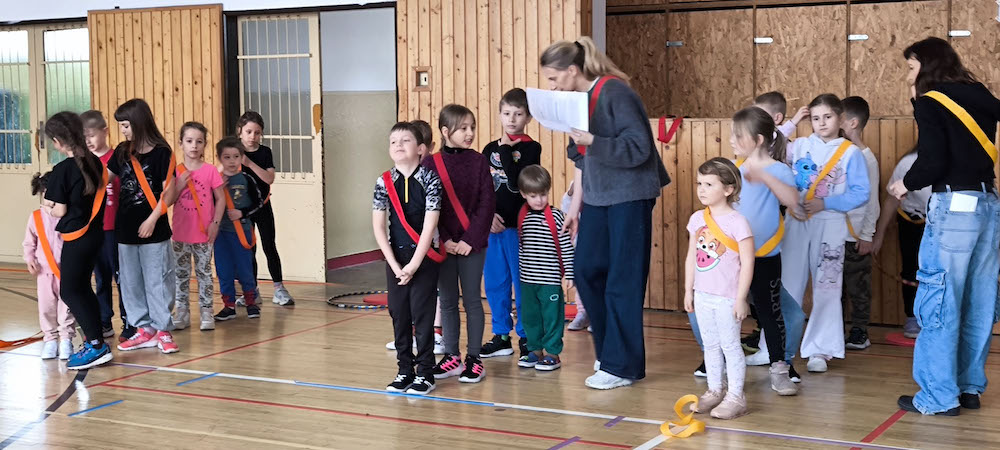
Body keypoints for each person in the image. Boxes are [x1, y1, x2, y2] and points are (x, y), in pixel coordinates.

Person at [540, 37, 670, 389]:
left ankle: (621, 366)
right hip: (599, 196)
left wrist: (593, 140)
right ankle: (612, 353)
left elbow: (639, 148)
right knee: (586, 270)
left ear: (572, 70)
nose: (552, 86)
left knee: (623, 280)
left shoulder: (615, 92)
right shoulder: (577, 100)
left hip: (630, 195)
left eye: (554, 78)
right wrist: (575, 205)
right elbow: (582, 157)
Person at [888, 37, 1000, 416]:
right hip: (988, 204)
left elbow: (933, 161)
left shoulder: (930, 101)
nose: (908, 76)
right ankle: (969, 387)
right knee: (979, 299)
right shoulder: (977, 92)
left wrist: (905, 184)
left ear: (926, 64)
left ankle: (938, 396)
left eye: (910, 67)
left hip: (953, 209)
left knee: (939, 298)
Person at [782, 94, 870, 374]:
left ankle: (820, 349)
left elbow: (861, 192)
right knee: (788, 283)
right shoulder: (798, 145)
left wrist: (826, 203)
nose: (821, 123)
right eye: (815, 118)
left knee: (827, 286)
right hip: (796, 220)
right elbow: (767, 146)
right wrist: (793, 121)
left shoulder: (850, 152)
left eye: (828, 117)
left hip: (830, 223)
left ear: (840, 119)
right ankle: (777, 346)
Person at [421, 104, 494, 384]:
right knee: (448, 300)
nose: (469, 133)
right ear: (445, 131)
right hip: (444, 244)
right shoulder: (431, 164)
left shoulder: (479, 162)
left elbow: (486, 204)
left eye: (472, 127)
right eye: (462, 128)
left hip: (472, 245)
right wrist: (445, 240)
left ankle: (474, 358)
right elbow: (429, 206)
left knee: (472, 300)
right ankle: (451, 356)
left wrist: (469, 240)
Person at [373, 122, 443, 395]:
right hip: (396, 258)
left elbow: (429, 224)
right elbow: (379, 227)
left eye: (405, 140)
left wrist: (414, 264)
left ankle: (425, 372)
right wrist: (395, 265)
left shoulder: (430, 179)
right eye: (393, 141)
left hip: (423, 257)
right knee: (399, 313)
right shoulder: (383, 181)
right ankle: (404, 370)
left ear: (421, 148)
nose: (398, 145)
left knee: (423, 315)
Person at [684, 157, 754, 419]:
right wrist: (688, 290)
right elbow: (691, 256)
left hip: (727, 298)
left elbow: (748, 262)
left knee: (730, 345)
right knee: (710, 345)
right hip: (703, 295)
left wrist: (741, 298)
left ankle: (736, 396)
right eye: (699, 183)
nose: (701, 189)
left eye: (709, 184)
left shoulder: (738, 222)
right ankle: (715, 390)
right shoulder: (697, 219)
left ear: (728, 189)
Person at [108, 99, 179, 355]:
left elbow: (169, 192)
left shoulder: (162, 153)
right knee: (131, 282)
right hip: (125, 230)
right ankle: (144, 329)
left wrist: (152, 219)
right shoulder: (121, 151)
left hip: (154, 230)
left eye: (126, 125)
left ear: (139, 122)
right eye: (120, 126)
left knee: (158, 280)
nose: (123, 131)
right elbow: (104, 179)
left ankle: (163, 330)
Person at [43, 111, 111, 370]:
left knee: (70, 291)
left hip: (77, 238)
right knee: (82, 288)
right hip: (95, 236)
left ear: (58, 141)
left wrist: (47, 208)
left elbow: (59, 210)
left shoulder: (62, 170)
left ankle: (95, 345)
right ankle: (97, 341)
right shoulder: (96, 163)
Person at [480, 88, 541, 360]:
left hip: (520, 229)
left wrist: (506, 148)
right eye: (506, 113)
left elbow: (517, 184)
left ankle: (527, 336)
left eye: (518, 114)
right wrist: (487, 216)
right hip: (494, 229)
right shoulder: (488, 149)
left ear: (528, 117)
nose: (512, 119)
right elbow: (482, 189)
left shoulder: (531, 149)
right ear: (499, 115)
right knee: (496, 283)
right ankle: (501, 336)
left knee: (522, 284)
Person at [514, 165, 575, 371]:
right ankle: (535, 350)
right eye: (533, 196)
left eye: (543, 194)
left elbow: (566, 247)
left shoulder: (557, 217)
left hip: (549, 281)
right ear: (524, 194)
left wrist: (569, 273)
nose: (539, 200)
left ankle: (552, 353)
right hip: (527, 280)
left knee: (552, 318)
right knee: (530, 317)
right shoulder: (522, 216)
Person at [167, 122, 225, 331]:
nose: (194, 146)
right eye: (189, 141)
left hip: (203, 233)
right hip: (180, 233)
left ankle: (206, 310)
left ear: (205, 145)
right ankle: (182, 311)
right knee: (180, 274)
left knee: (204, 273)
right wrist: (179, 186)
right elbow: (168, 201)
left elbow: (221, 199)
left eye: (199, 141)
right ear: (181, 143)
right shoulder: (175, 172)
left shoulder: (210, 171)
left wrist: (215, 223)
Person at [236, 111, 295, 306]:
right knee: (248, 249)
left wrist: (248, 163)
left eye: (257, 132)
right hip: (243, 210)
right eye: (248, 132)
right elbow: (222, 175)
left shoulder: (264, 152)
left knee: (269, 245)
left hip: (262, 206)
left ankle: (279, 288)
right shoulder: (233, 151)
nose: (252, 136)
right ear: (240, 132)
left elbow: (269, 178)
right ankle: (252, 290)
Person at [872, 147, 930, 339]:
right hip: (912, 220)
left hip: (941, 221)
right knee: (911, 269)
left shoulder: (953, 160)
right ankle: (912, 317)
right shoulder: (908, 163)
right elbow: (891, 200)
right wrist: (879, 234)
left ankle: (935, 319)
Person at [82, 110, 130, 340]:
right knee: (100, 278)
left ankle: (129, 321)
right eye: (84, 137)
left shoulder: (117, 158)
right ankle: (104, 321)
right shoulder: (84, 163)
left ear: (105, 132)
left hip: (116, 229)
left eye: (91, 135)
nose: (88, 141)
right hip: (95, 230)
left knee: (121, 277)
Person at [840, 96, 880, 350]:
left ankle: (859, 331)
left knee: (858, 286)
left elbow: (872, 200)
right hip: (835, 233)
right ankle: (835, 330)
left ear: (853, 123)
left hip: (855, 235)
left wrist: (867, 235)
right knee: (835, 288)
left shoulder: (867, 159)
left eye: (839, 119)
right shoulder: (839, 154)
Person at [213, 138, 267, 322]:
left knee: (245, 268)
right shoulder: (215, 181)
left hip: (241, 232)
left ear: (242, 157)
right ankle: (228, 306)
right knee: (223, 270)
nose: (231, 161)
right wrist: (217, 190)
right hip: (221, 234)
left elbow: (259, 203)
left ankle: (251, 302)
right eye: (227, 157)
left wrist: (242, 213)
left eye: (236, 156)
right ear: (219, 158)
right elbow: (207, 205)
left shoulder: (246, 179)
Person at [23, 172, 75, 360]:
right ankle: (50, 340)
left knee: (66, 308)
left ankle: (66, 340)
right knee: (46, 308)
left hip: (65, 271)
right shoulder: (36, 217)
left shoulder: (67, 214)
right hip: (44, 273)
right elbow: (29, 243)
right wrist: (30, 258)